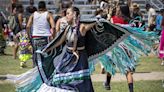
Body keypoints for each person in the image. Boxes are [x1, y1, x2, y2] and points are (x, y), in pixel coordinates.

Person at [105, 4, 134, 92]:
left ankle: (107, 83)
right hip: (126, 47)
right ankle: (131, 90)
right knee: (127, 70)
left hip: (115, 47)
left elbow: (105, 26)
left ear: (121, 11)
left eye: (118, 9)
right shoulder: (129, 21)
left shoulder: (114, 19)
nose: (117, 10)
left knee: (110, 66)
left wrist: (109, 15)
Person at [26, 1, 55, 67]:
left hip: (35, 37)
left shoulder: (33, 14)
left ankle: (36, 70)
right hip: (46, 38)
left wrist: (29, 37)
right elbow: (53, 27)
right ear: (45, 7)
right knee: (46, 55)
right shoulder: (48, 14)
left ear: (38, 7)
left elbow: (28, 26)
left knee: (36, 56)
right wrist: (53, 36)